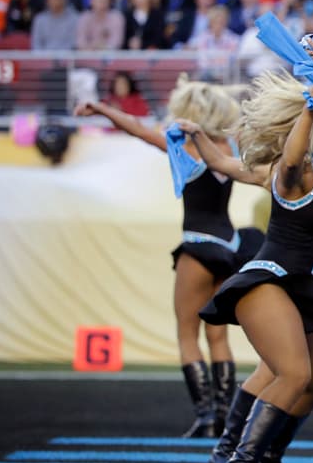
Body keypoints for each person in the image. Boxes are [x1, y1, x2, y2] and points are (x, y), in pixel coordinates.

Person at [198, 74, 313, 463]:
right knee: (291, 374)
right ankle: (239, 462)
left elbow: (225, 165)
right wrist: (309, 108)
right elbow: (283, 161)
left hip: (294, 290)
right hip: (266, 282)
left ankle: (268, 457)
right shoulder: (297, 172)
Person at [75, 78, 259, 437]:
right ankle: (223, 417)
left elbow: (138, 130)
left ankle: (206, 417)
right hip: (229, 248)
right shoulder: (230, 147)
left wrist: (101, 108)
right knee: (218, 337)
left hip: (195, 246)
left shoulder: (185, 148)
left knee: (186, 334)